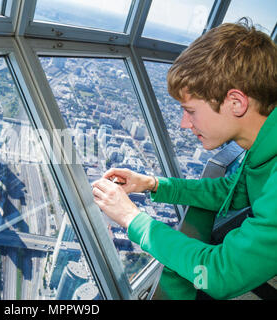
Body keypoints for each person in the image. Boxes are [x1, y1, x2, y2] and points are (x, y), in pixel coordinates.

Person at [91, 19, 277, 300]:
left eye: (190, 111)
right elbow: (230, 193)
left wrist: (131, 218)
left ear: (235, 103)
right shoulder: (262, 145)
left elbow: (216, 274)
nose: (183, 124)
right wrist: (152, 184)